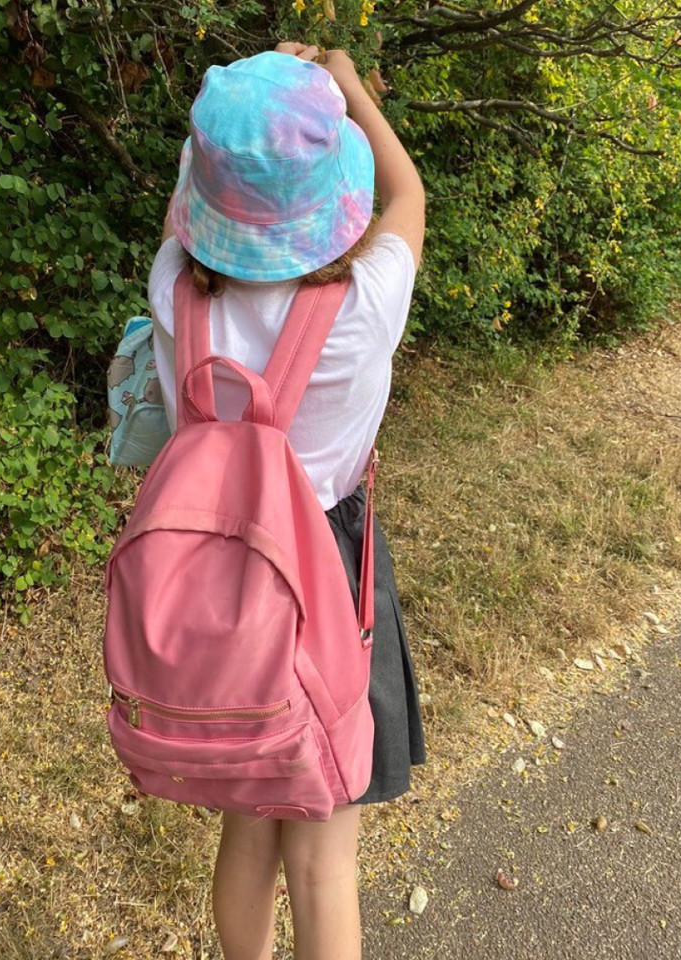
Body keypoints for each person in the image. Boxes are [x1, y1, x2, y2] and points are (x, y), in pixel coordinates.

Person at [146, 43, 428, 960]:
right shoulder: (361, 309)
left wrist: (235, 123)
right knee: (323, 856)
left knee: (249, 827)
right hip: (328, 572)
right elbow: (409, 198)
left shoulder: (173, 293)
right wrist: (345, 93)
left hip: (215, 583)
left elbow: (181, 221)